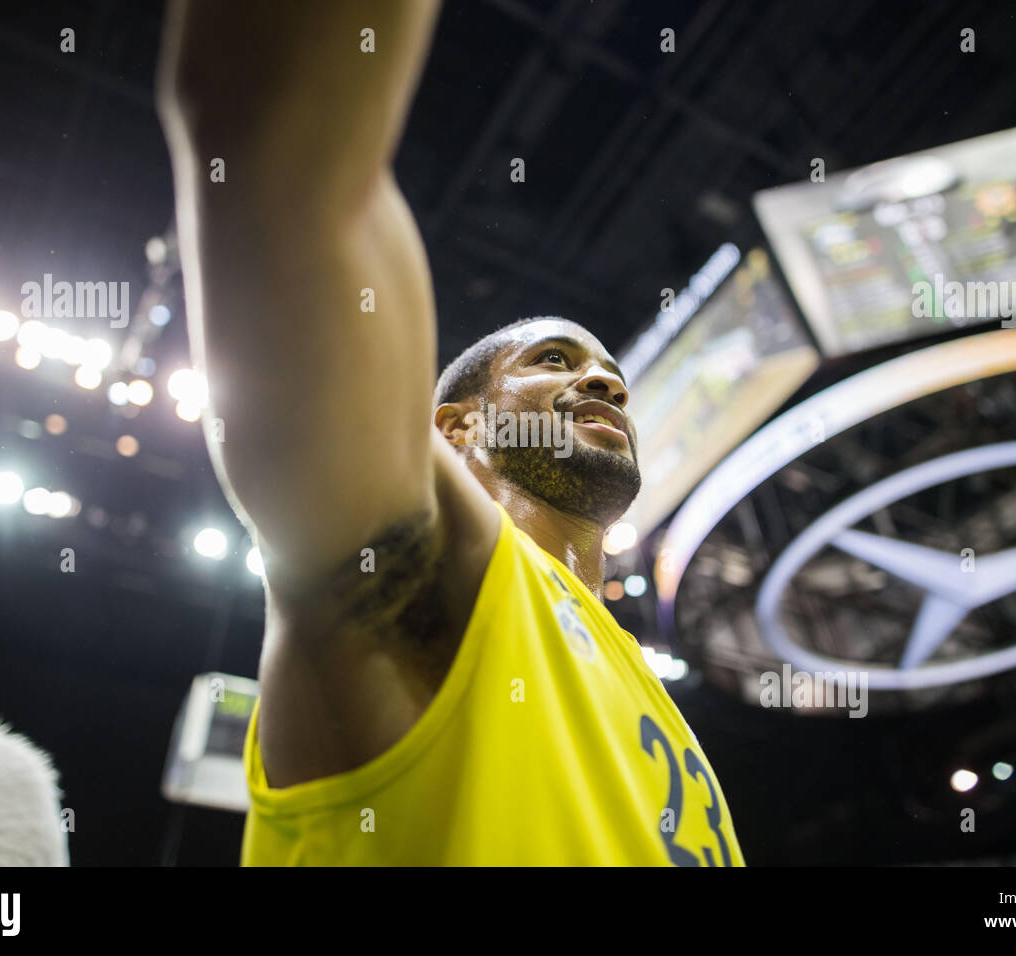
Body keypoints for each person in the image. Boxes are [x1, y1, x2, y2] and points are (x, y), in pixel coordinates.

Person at [157, 0, 744, 866]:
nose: (603, 379)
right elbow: (270, 135)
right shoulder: (436, 576)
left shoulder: (657, 707)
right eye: (554, 358)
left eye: (609, 372)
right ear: (457, 426)